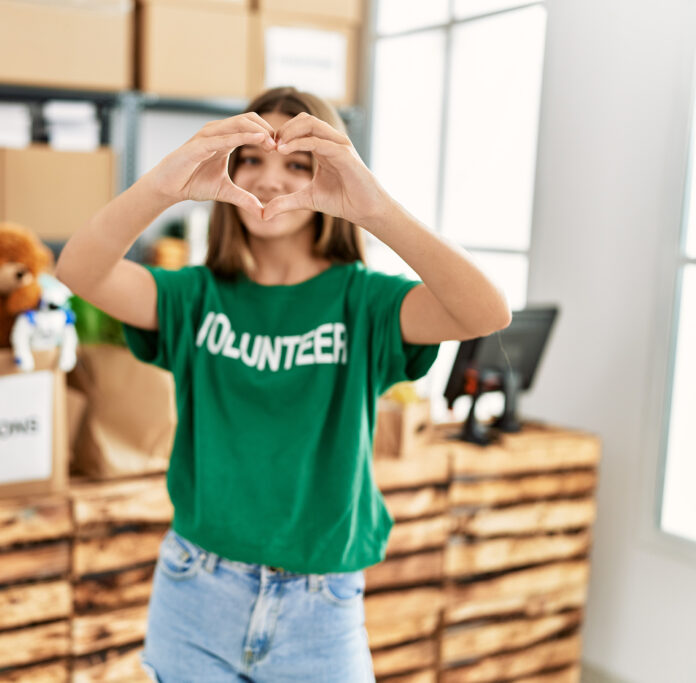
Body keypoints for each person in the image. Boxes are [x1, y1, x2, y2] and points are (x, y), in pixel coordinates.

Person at [55, 86, 511, 682]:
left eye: (298, 164)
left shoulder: (364, 303)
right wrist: (164, 183)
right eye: (252, 159)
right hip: (196, 593)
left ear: (330, 177)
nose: (271, 181)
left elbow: (487, 312)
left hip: (320, 609)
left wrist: (375, 208)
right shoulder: (194, 297)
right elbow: (78, 270)